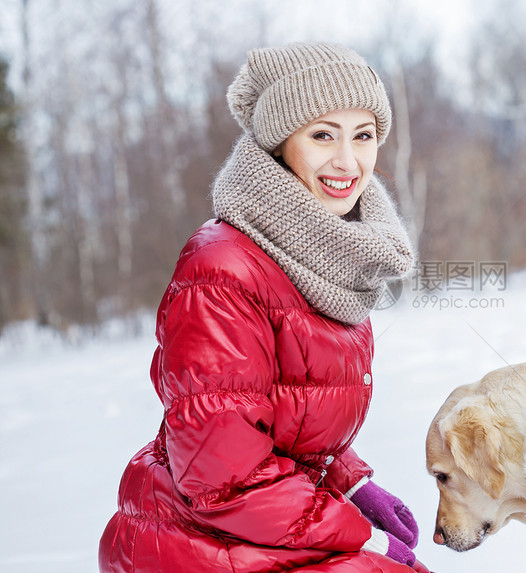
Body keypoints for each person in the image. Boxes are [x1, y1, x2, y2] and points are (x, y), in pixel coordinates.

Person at [99, 42, 429, 573]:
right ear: (280, 146)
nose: (348, 161)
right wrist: (358, 535)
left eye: (363, 136)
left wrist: (354, 485)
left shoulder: (325, 259)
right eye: (323, 135)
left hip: (248, 528)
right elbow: (221, 476)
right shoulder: (222, 272)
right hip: (192, 542)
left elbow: (287, 425)